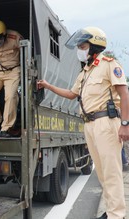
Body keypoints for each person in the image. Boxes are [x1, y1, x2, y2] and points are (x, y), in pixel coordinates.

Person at [37, 27, 128, 219]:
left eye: (83, 45)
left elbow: (124, 94)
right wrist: (47, 85)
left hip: (106, 122)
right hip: (90, 125)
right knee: (102, 173)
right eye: (79, 46)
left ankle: (117, 215)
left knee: (111, 172)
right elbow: (71, 94)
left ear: (94, 45)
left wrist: (125, 124)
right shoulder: (86, 72)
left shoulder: (109, 64)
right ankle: (111, 211)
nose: (80, 49)